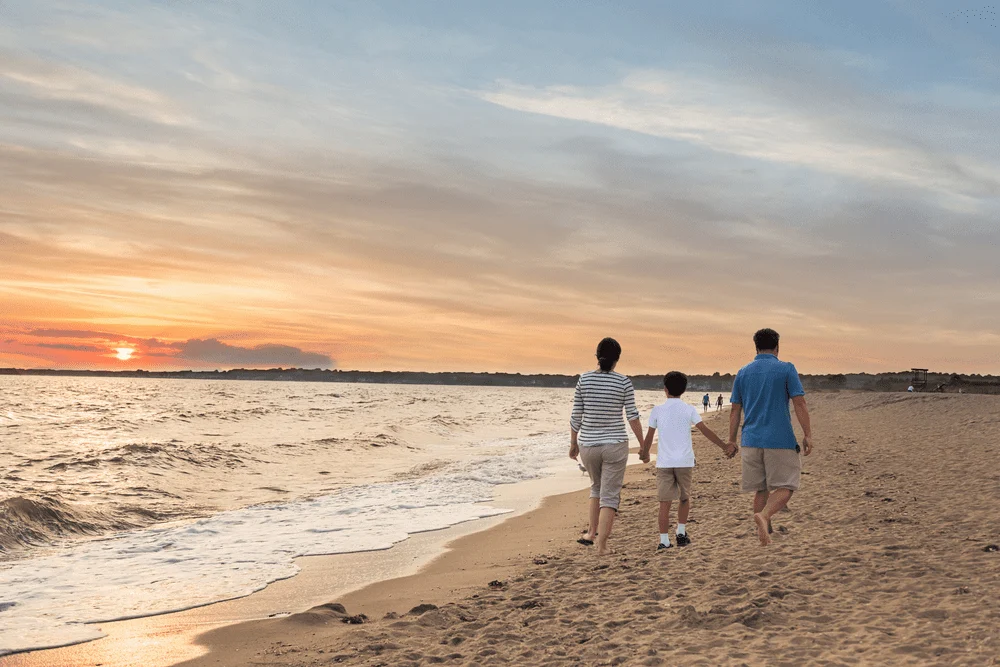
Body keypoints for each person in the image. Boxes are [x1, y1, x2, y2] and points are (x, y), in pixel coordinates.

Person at [728, 328, 813, 547]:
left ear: (755, 346)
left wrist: (731, 440)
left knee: (761, 488)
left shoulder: (743, 372)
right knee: (788, 485)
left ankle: (765, 530)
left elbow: (735, 410)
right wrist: (807, 434)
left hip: (750, 439)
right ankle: (765, 517)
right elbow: (799, 402)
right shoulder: (786, 369)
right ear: (777, 347)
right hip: (779, 439)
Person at [639, 371, 735, 550]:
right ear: (684, 390)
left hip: (665, 463)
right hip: (685, 461)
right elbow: (704, 430)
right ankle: (681, 532)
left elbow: (649, 436)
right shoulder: (689, 409)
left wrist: (644, 453)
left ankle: (664, 540)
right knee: (684, 498)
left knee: (664, 503)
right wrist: (724, 446)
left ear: (665, 389)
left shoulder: (657, 410)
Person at [569, 337, 644, 556]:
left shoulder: (584, 380)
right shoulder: (623, 382)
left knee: (596, 487)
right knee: (610, 495)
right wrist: (643, 444)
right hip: (615, 444)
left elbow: (576, 415)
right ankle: (602, 546)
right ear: (617, 359)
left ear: (597, 356)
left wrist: (573, 443)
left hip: (588, 445)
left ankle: (591, 533)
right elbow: (632, 416)